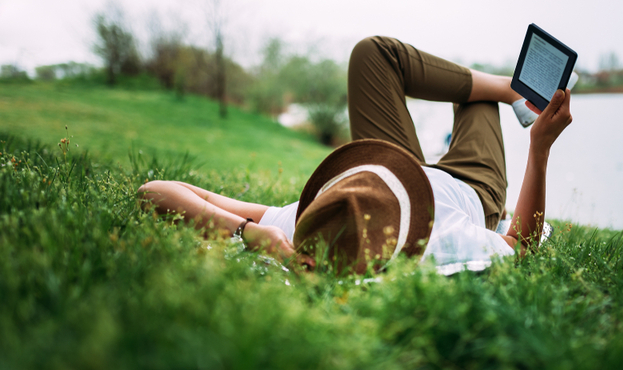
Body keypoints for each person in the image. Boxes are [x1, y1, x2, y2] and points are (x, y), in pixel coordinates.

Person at [137, 36, 573, 275]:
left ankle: (509, 87)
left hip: (391, 167)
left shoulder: (306, 228)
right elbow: (521, 246)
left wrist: (252, 235)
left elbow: (156, 190)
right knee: (476, 103)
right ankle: (511, 91)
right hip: (470, 188)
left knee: (372, 54)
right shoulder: (441, 241)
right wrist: (539, 150)